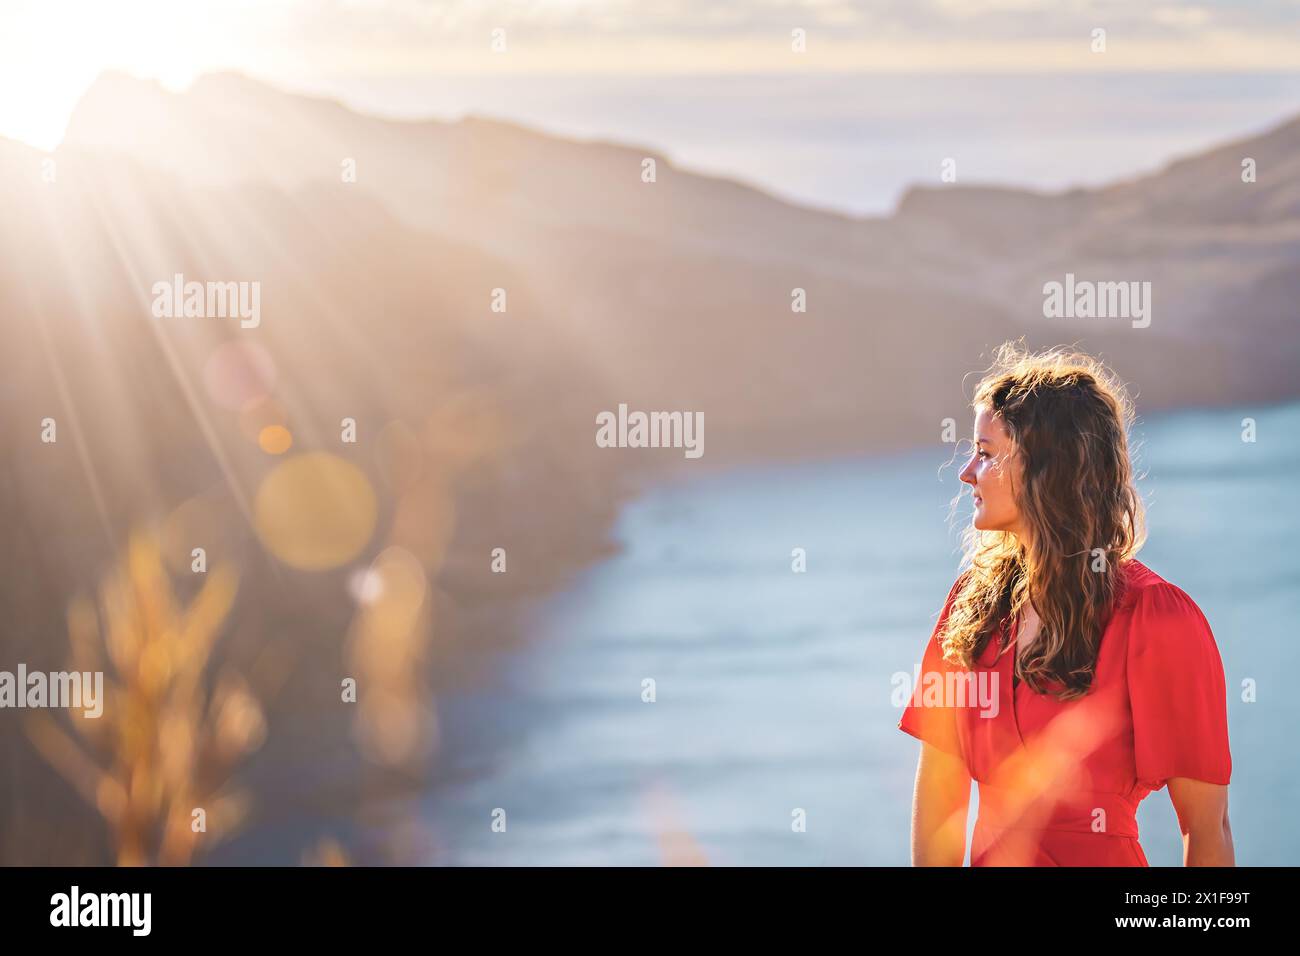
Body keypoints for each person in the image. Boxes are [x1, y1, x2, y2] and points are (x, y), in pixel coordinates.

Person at [898, 342, 1233, 866]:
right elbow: (941, 795)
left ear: (1044, 469)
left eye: (986, 453)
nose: (966, 472)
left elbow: (1207, 831)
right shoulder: (971, 609)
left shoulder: (1157, 619)